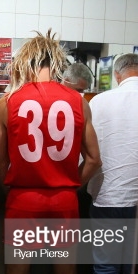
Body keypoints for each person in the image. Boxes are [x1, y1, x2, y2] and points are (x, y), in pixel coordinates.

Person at [0, 29, 102, 274]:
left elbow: (1, 163)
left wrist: (18, 190)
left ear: (25, 62)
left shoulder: (7, 103)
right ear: (58, 62)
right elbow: (94, 160)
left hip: (23, 201)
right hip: (64, 203)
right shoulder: (80, 101)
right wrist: (68, 187)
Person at [86, 53, 138, 274]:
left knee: (106, 271)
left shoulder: (98, 102)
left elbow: (86, 152)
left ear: (119, 74)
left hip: (107, 199)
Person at [62, 62, 96, 219]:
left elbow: (93, 159)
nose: (80, 95)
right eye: (78, 90)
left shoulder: (81, 105)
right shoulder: (79, 106)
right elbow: (94, 159)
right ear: (66, 79)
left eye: (83, 91)